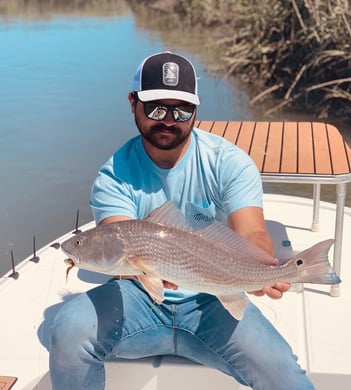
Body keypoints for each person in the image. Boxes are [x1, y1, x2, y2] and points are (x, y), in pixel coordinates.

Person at [49, 51, 314, 389]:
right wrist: (144, 266)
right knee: (69, 329)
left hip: (214, 301)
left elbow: (253, 233)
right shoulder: (113, 175)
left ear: (196, 110)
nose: (169, 120)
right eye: (156, 108)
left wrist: (261, 271)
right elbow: (118, 244)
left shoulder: (229, 162)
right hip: (137, 300)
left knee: (283, 371)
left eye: (182, 110)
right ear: (133, 103)